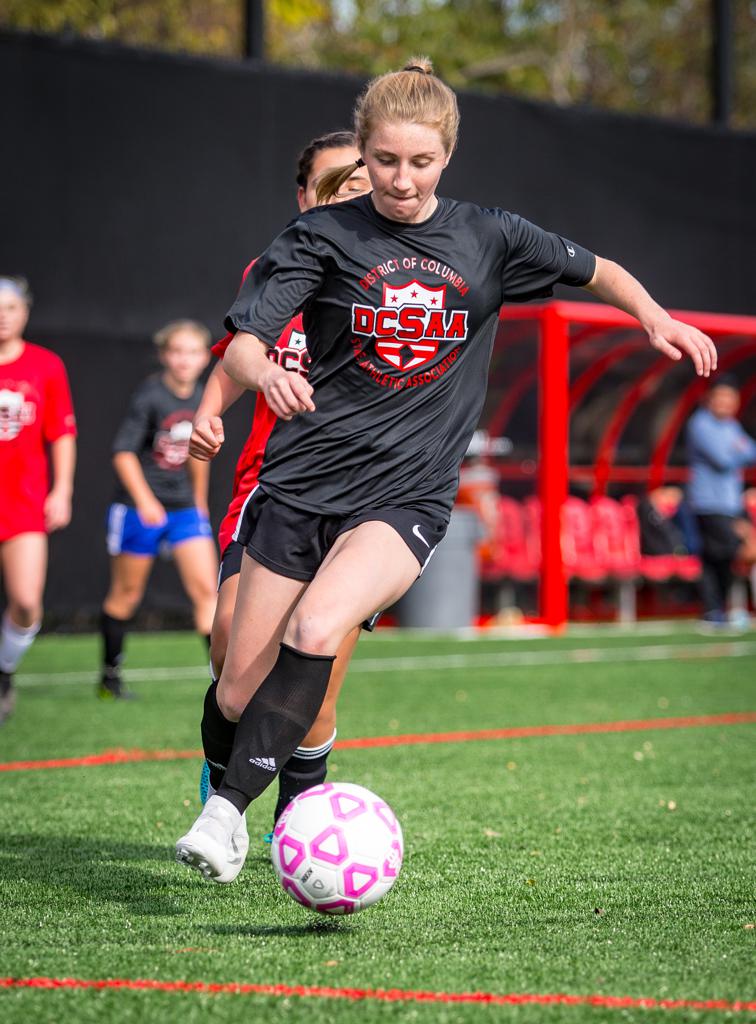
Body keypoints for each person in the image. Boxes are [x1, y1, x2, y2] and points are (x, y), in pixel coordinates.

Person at [176, 56, 717, 883]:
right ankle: (238, 790)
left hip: (405, 497)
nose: (401, 178)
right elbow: (247, 342)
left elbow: (595, 269)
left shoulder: (488, 236)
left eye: (420, 161)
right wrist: (264, 374)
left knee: (317, 630)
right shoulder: (321, 236)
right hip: (299, 485)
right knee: (238, 693)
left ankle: (223, 819)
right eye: (385, 160)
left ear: (448, 156)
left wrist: (654, 317)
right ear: (363, 151)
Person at [188, 131, 372, 850]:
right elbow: (239, 356)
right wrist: (208, 414)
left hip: (362, 502)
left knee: (317, 689)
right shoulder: (281, 269)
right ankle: (220, 782)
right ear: (303, 197)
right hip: (269, 490)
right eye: (334, 184)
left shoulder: (401, 276)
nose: (350, 196)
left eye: (361, 182)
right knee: (232, 651)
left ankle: (296, 830)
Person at [99, 320, 218, 699]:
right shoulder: (150, 395)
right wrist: (146, 501)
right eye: (177, 351)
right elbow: (123, 454)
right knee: (126, 595)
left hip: (182, 507)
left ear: (205, 358)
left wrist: (199, 503)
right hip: (139, 507)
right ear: (165, 355)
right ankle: (109, 677)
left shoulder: (204, 396)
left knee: (206, 591)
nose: (185, 360)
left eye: (193, 352)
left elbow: (200, 455)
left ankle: (223, 685)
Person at [0, 276, 77, 724]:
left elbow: (61, 431)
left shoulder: (45, 365)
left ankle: (4, 671)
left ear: (24, 313)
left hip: (23, 501)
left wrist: (62, 489)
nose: (3, 317)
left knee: (27, 601)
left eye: (10, 308)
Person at [685, 375, 756, 629]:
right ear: (710, 399)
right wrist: (738, 450)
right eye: (721, 397)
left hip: (730, 502)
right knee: (725, 551)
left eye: (730, 398)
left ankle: (717, 610)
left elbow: (752, 452)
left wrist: (737, 450)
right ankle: (712, 609)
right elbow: (722, 459)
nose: (726, 402)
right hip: (708, 502)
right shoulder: (700, 424)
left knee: (723, 557)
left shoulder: (731, 426)